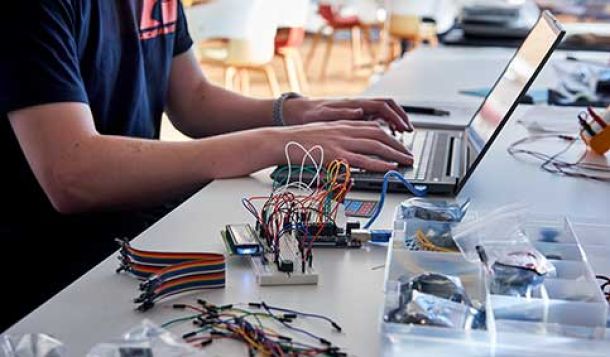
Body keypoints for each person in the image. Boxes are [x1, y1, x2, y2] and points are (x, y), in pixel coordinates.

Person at [0, 0, 413, 331]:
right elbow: (73, 174)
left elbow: (192, 99)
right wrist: (275, 143)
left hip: (136, 237)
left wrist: (297, 112)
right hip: (52, 283)